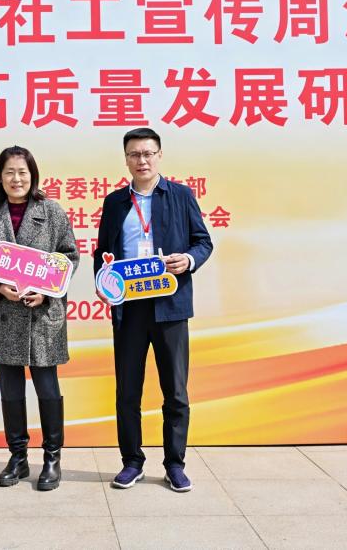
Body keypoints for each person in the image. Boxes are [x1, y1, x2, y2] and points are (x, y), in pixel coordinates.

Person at [93, 128, 213, 493]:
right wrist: (104, 282)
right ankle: (132, 462)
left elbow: (203, 242)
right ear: (126, 159)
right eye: (134, 154)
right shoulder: (115, 202)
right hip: (129, 309)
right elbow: (102, 252)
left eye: (148, 153)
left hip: (170, 307)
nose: (141, 160)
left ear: (159, 155)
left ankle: (175, 464)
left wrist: (188, 260)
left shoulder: (180, 195)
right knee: (128, 391)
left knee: (175, 391)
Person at [0, 146, 79, 491]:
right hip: (5, 314)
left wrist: (47, 291)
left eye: (22, 172)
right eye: (9, 172)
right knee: (10, 390)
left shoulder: (52, 211)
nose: (16, 179)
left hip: (42, 314)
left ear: (33, 176)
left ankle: (52, 458)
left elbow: (69, 256)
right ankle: (17, 457)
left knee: (48, 388)